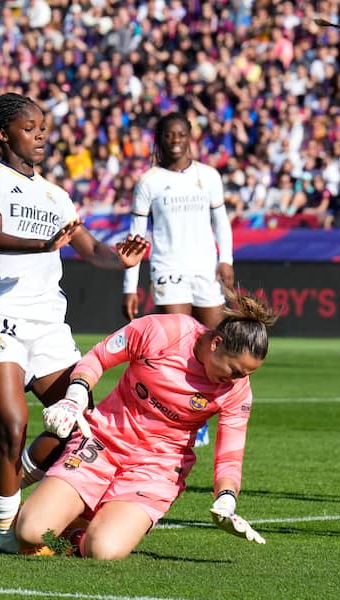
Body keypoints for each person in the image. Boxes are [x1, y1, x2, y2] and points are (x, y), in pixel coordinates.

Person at [0, 92, 148, 553]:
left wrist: (120, 259)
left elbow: (89, 247)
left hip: (47, 323)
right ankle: (5, 534)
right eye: (30, 128)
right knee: (12, 425)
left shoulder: (56, 194)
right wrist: (41, 246)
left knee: (80, 426)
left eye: (43, 128)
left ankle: (15, 478)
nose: (40, 135)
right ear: (2, 134)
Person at [13, 290, 278, 559]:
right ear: (216, 343)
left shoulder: (237, 389)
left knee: (102, 550)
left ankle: (79, 530)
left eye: (246, 375)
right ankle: (60, 506)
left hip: (157, 468)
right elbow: (98, 357)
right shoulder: (165, 331)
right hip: (103, 441)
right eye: (234, 370)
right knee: (30, 532)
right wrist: (75, 396)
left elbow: (230, 455)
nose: (236, 380)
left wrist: (226, 499)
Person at [121, 112, 235, 447]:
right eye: (169, 135)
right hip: (168, 268)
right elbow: (135, 237)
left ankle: (207, 411)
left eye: (180, 134)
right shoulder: (149, 181)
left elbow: (222, 222)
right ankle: (183, 417)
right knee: (176, 346)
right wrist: (130, 286)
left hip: (205, 269)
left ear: (189, 137)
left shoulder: (208, 176)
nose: (175, 140)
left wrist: (225, 259)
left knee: (220, 343)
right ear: (160, 139)